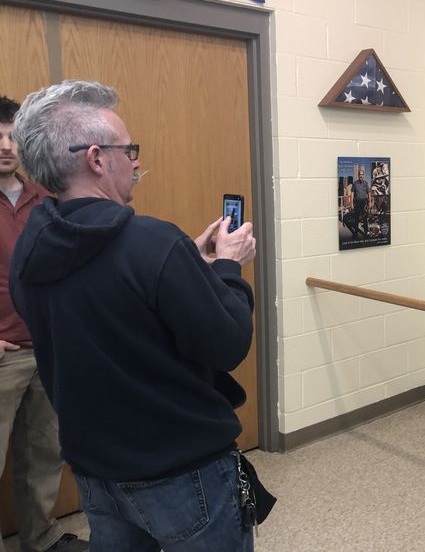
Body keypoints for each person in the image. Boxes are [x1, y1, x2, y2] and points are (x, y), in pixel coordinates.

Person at [9, 81, 258, 552]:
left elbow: (109, 310)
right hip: (183, 473)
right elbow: (229, 343)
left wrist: (190, 270)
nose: (137, 161)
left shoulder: (32, 246)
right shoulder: (153, 243)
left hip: (96, 472)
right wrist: (227, 267)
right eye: (130, 149)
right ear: (97, 159)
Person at [0, 96, 88, 552]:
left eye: (12, 135)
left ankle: (41, 537)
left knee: (44, 454)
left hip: (49, 351)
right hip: (2, 355)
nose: (5, 146)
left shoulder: (46, 200)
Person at [352, 166, 370, 237]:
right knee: (356, 219)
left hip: (364, 203)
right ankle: (356, 233)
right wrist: (351, 204)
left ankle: (366, 232)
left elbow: (368, 193)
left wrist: (369, 202)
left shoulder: (366, 183)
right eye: (360, 174)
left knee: (365, 219)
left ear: (363, 175)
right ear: (358, 175)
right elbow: (352, 193)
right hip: (357, 203)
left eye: (362, 174)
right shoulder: (355, 183)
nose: (361, 176)